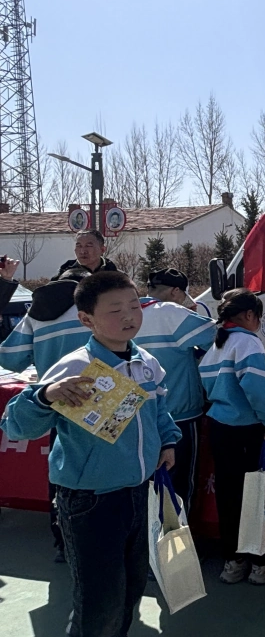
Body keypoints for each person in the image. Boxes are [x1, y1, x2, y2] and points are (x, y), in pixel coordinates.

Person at [0, 271, 180, 637]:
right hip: (91, 500)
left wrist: (168, 441)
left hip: (138, 492)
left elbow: (159, 409)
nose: (129, 316)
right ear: (86, 319)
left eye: (134, 305)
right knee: (99, 602)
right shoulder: (76, 368)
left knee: (130, 590)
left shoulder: (146, 362)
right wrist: (45, 395)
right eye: (115, 310)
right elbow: (16, 426)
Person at [0, 266, 92, 563]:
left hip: (56, 405)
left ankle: (64, 542)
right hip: (102, 403)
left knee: (62, 473)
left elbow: (10, 359)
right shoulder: (96, 308)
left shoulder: (36, 314)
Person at [200, 289, 265, 586]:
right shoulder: (247, 342)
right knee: (257, 497)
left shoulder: (217, 343)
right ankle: (260, 564)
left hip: (220, 427)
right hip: (248, 431)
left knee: (228, 497)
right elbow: (258, 390)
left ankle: (233, 562)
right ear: (250, 315)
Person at [138, 268, 218, 510]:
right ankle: (179, 533)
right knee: (179, 487)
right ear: (175, 292)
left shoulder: (130, 313)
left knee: (145, 487)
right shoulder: (172, 312)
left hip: (139, 415)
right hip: (179, 414)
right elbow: (218, 337)